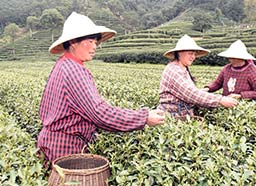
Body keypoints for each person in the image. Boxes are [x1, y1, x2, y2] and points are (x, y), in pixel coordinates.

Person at [37, 12, 165, 164]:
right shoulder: (73, 71)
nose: (94, 47)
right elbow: (99, 113)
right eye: (89, 41)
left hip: (53, 143)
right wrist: (143, 117)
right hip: (64, 149)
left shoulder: (64, 64)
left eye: (96, 42)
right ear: (72, 42)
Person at [157, 34, 238, 120]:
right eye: (190, 53)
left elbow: (189, 92)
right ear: (179, 53)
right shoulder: (174, 70)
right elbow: (190, 94)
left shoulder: (183, 69)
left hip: (183, 113)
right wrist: (220, 100)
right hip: (172, 115)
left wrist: (204, 93)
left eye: (194, 54)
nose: (193, 57)